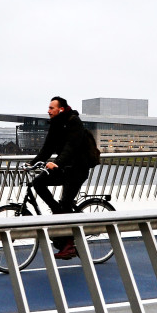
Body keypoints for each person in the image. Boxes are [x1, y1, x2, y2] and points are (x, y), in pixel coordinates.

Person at [27, 96, 99, 260]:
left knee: (66, 202)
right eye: (49, 108)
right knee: (38, 182)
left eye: (51, 108)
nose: (48, 111)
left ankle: (69, 245)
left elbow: (70, 148)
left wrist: (56, 163)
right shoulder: (55, 124)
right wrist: (31, 164)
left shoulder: (74, 122)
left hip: (78, 168)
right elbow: (46, 149)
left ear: (60, 109)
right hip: (65, 167)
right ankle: (57, 211)